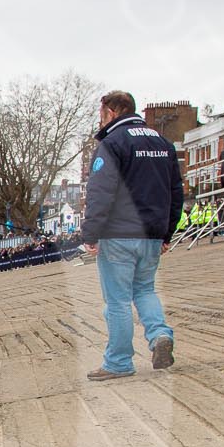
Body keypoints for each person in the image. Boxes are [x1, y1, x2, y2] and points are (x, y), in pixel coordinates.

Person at [81, 90, 183, 381]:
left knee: (118, 301)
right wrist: (167, 233)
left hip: (119, 233)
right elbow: (176, 192)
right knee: (145, 290)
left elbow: (100, 192)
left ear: (112, 112)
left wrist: (91, 233)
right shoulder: (163, 144)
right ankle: (159, 334)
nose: (100, 119)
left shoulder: (113, 144)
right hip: (152, 233)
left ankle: (119, 362)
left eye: (101, 113)